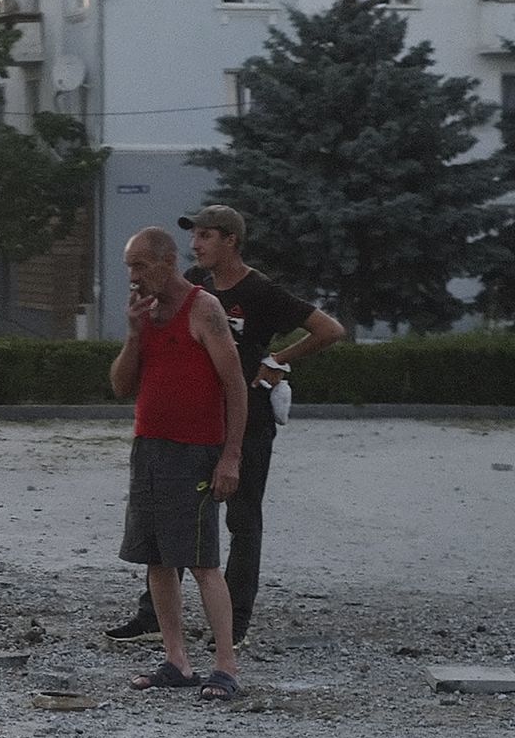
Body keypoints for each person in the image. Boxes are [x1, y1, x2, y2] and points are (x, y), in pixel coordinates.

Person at [106, 205, 345, 646]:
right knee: (173, 520)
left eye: (205, 236)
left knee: (242, 520)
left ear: (230, 240)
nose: (195, 244)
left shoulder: (261, 291)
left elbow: (329, 330)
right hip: (196, 422)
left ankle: (233, 625)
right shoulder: (192, 287)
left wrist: (277, 361)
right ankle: (152, 616)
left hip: (246, 420)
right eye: (193, 236)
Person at [111, 226, 247, 701]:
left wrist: (230, 456)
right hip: (149, 446)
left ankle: (225, 665)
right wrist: (132, 332)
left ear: (166, 263)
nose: (132, 275)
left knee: (201, 560)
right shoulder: (145, 314)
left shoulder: (203, 308)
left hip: (194, 452)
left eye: (139, 265)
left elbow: (235, 385)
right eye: (129, 266)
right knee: (156, 559)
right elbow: (121, 385)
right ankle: (177, 660)